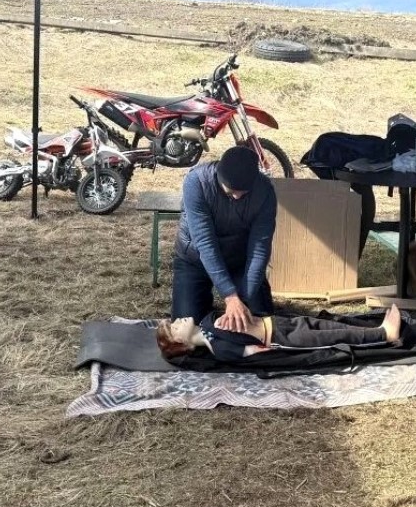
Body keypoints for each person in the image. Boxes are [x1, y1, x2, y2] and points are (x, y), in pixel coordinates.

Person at [172, 145, 277, 332]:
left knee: (260, 322)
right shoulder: (197, 182)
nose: (236, 197)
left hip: (239, 261)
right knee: (185, 330)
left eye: (243, 193)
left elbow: (260, 247)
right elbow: (205, 242)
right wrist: (230, 296)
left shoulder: (265, 191)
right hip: (195, 260)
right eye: (230, 192)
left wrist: (242, 299)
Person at [156, 305, 403, 361]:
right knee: (332, 337)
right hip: (281, 338)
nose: (178, 321)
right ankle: (384, 335)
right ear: (181, 342)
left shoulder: (208, 322)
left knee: (326, 325)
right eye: (174, 327)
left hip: (277, 323)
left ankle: (374, 328)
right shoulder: (217, 347)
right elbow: (248, 352)